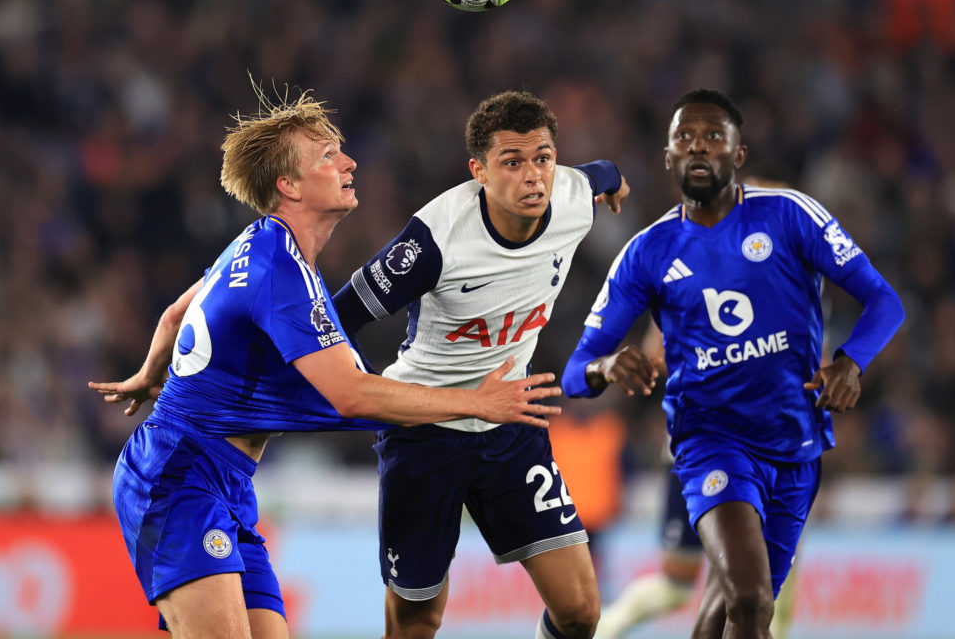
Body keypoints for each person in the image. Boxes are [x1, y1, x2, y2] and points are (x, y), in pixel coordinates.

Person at [88, 90, 564, 639]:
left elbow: (176, 315)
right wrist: (478, 403)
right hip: (179, 477)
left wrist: (149, 375)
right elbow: (353, 395)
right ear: (289, 186)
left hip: (225, 481)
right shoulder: (278, 270)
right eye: (328, 156)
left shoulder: (260, 245)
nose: (349, 162)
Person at [563, 89, 905, 639]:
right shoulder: (648, 252)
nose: (699, 148)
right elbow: (575, 370)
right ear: (668, 157)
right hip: (710, 440)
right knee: (751, 602)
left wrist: (850, 362)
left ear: (738, 155)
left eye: (714, 137)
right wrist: (606, 368)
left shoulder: (790, 216)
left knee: (727, 610)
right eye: (685, 139)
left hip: (794, 444)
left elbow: (884, 302)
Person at [332, 90, 630, 639]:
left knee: (582, 612)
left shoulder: (571, 196)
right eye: (512, 163)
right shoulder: (434, 240)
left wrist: (612, 181)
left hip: (510, 428)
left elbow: (602, 174)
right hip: (424, 434)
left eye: (543, 157)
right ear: (479, 171)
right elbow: (335, 318)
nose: (533, 176)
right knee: (419, 621)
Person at [594, 323, 796, 639]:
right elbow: (654, 356)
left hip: (760, 454)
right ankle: (601, 630)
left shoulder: (792, 289)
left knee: (761, 585)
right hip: (697, 455)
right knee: (681, 586)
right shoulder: (686, 281)